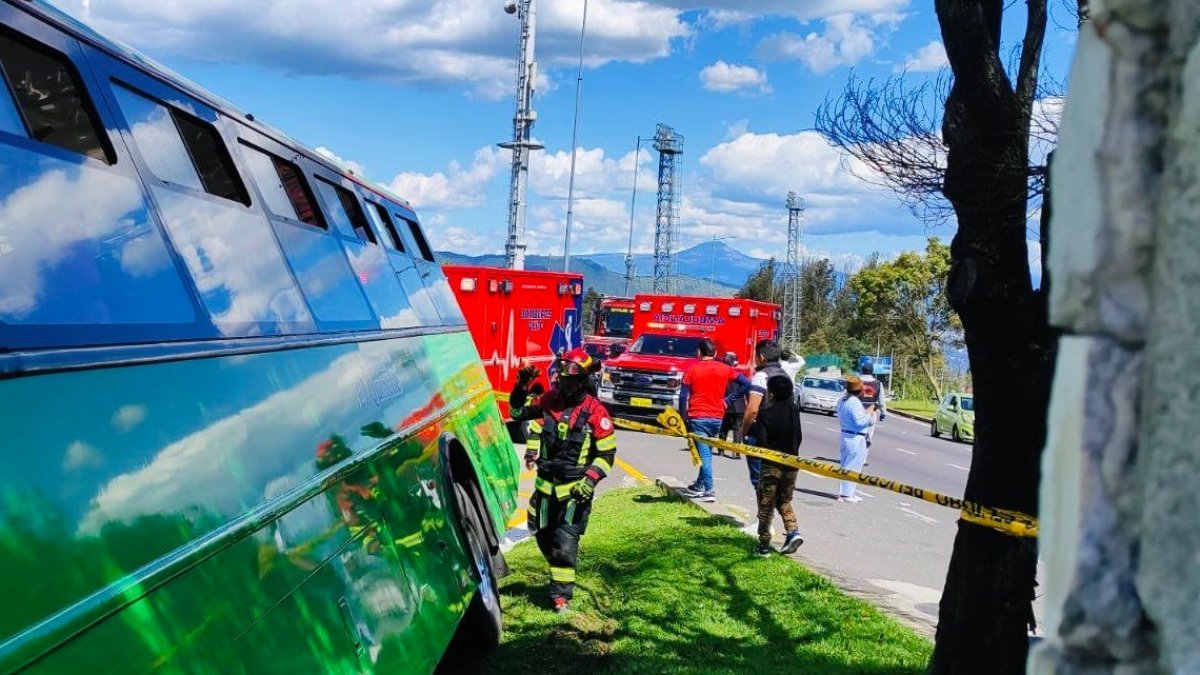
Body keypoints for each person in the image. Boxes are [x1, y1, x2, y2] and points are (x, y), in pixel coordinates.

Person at [510, 348, 616, 612]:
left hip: (574, 494)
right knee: (543, 536)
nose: (562, 383)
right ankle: (558, 576)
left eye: (569, 380)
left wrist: (589, 481)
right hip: (544, 492)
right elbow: (516, 412)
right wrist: (521, 386)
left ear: (582, 381)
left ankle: (560, 597)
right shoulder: (549, 401)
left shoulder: (596, 412)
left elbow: (606, 455)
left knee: (565, 543)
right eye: (561, 377)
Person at [680, 340, 752, 503]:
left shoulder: (692, 370)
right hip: (717, 417)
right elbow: (747, 384)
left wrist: (683, 417)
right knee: (706, 452)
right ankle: (699, 485)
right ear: (715, 353)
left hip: (698, 416)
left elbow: (683, 396)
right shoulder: (725, 369)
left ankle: (709, 489)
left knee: (704, 454)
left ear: (699, 352)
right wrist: (728, 400)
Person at [749, 375, 804, 556]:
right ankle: (793, 531)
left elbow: (762, 442)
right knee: (784, 499)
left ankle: (764, 544)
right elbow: (798, 437)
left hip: (771, 464)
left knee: (766, 503)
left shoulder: (765, 413)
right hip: (792, 462)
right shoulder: (794, 411)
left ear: (771, 393)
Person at [739, 339, 788, 493]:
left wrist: (743, 431)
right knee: (773, 477)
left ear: (761, 357)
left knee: (759, 479)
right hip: (781, 435)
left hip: (760, 434)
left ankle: (765, 508)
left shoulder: (761, 376)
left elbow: (752, 409)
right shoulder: (785, 376)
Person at [836, 375, 875, 503]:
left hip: (846, 434)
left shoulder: (843, 399)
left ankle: (847, 492)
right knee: (853, 466)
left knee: (846, 465)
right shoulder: (854, 402)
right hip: (855, 436)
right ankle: (847, 494)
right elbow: (860, 421)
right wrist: (869, 412)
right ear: (859, 390)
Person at [717, 352, 746, 457]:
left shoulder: (722, 374)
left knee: (724, 428)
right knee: (737, 429)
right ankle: (736, 452)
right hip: (739, 406)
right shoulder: (741, 375)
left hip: (726, 405)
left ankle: (721, 450)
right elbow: (747, 391)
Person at [859, 361, 886, 447]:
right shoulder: (878, 383)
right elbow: (881, 400)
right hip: (872, 412)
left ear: (862, 370)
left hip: (858, 411)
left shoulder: (857, 382)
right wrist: (883, 413)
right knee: (869, 432)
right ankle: (867, 442)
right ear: (872, 371)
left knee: (856, 434)